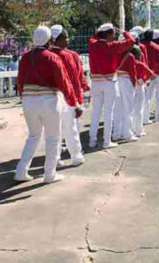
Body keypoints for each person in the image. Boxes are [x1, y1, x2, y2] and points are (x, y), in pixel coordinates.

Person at [14, 26, 77, 184]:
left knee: (33, 136)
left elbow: (20, 81)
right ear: (49, 40)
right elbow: (64, 82)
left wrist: (24, 97)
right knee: (53, 138)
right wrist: (73, 102)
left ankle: (21, 171)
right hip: (50, 101)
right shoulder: (52, 57)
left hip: (29, 100)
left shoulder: (25, 58)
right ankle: (50, 174)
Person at [87, 23, 134, 149]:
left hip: (95, 82)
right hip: (109, 82)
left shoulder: (92, 44)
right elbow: (131, 41)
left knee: (96, 112)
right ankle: (107, 141)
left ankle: (92, 140)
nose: (114, 36)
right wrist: (122, 31)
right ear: (108, 35)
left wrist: (101, 30)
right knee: (109, 112)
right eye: (112, 33)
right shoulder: (113, 46)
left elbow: (94, 37)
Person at [49, 25, 88, 168]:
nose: (68, 40)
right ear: (59, 39)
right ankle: (76, 156)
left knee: (54, 131)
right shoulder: (69, 55)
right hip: (67, 97)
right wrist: (77, 100)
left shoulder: (47, 54)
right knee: (71, 129)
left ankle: (56, 159)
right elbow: (74, 80)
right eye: (66, 37)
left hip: (51, 97)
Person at [144, 30, 159, 122]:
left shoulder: (143, 46)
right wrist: (156, 72)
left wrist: (151, 73)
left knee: (147, 97)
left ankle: (145, 117)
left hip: (148, 74)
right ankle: (157, 116)